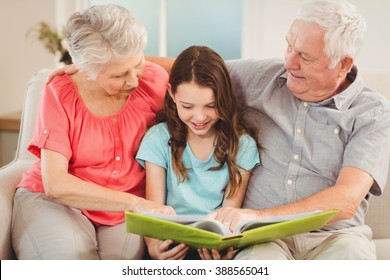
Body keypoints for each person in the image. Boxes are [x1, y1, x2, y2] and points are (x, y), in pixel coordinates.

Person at [149, 0, 390, 260]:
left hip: (336, 237)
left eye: (305, 57)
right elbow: (193, 72)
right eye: (289, 46)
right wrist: (123, 64)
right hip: (264, 238)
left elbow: (346, 200)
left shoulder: (372, 113)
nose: (289, 62)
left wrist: (258, 216)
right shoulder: (264, 76)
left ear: (343, 64)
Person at [11, 4, 174, 260]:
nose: (133, 80)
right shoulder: (59, 91)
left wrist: (130, 60)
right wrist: (138, 204)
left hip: (122, 212)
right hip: (60, 202)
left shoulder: (151, 80)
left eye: (138, 63)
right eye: (119, 74)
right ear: (86, 70)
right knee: (66, 258)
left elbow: (205, 67)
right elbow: (56, 184)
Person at [135, 46, 260, 260]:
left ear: (224, 98)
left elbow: (229, 214)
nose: (199, 117)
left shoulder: (243, 146)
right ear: (172, 94)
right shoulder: (158, 139)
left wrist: (224, 249)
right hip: (168, 241)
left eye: (211, 106)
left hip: (212, 244)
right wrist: (154, 247)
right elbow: (153, 210)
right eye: (188, 106)